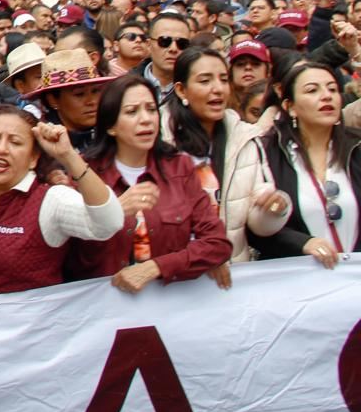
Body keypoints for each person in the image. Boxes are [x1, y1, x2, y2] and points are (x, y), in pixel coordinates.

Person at [0, 107, 121, 318]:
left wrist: (68, 157)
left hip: (30, 338)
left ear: (33, 158)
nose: (1, 149)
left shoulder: (50, 200)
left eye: (15, 142)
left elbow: (109, 223)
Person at [68, 76, 233, 290]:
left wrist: (158, 267)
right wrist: (114, 211)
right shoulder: (85, 173)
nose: (145, 119)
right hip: (103, 307)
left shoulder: (179, 167)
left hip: (167, 304)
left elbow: (217, 243)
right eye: (131, 112)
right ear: (110, 126)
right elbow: (70, 252)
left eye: (151, 109)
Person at [160, 46, 284, 263]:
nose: (217, 89)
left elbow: (258, 224)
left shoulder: (245, 139)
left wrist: (274, 208)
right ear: (181, 90)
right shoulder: (156, 139)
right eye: (205, 81)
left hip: (230, 274)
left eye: (223, 79)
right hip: (171, 274)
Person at [251, 62, 361, 266]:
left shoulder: (357, 146)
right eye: (312, 90)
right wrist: (302, 243)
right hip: (298, 284)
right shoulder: (266, 153)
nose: (326, 96)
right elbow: (251, 229)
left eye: (333, 89)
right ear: (289, 106)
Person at [25, 49, 113, 153]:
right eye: (79, 94)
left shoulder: (113, 132)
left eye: (95, 91)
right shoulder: (41, 143)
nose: (92, 101)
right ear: (53, 100)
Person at [136, 13, 191, 101]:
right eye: (164, 41)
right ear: (148, 45)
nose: (173, 49)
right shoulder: (125, 86)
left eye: (182, 43)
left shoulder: (195, 90)